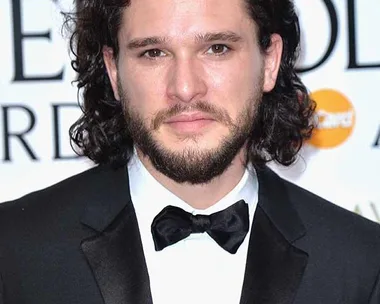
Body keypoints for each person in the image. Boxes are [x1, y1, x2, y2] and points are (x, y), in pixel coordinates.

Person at [1, 0, 379, 303]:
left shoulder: (361, 263)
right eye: (153, 53)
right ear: (114, 70)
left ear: (269, 61)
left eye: (217, 48)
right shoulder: (14, 251)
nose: (185, 88)